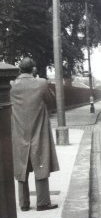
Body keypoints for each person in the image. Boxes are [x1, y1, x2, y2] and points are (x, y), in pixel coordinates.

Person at [10, 57, 59, 212]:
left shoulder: (12, 86)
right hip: (39, 128)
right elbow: (51, 101)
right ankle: (43, 202)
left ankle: (24, 204)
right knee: (41, 160)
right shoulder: (41, 83)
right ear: (33, 69)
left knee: (21, 164)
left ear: (19, 70)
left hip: (19, 130)